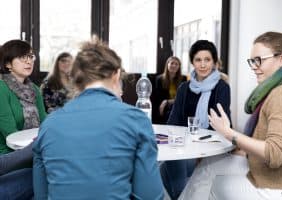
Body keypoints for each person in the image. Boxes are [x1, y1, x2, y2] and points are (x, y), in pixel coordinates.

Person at [33, 36, 164, 200]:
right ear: (116, 75)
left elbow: (41, 195)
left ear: (77, 80)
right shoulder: (135, 120)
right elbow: (149, 196)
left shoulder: (49, 125)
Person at [180, 30, 282, 200]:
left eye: (259, 60)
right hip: (272, 174)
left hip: (279, 187)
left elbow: (276, 153)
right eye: (252, 61)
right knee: (208, 165)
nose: (254, 67)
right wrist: (242, 149)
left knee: (210, 185)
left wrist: (230, 133)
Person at [160, 40, 231, 200]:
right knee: (167, 164)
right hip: (184, 145)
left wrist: (200, 151)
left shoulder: (222, 87)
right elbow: (174, 120)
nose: (203, 64)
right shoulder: (184, 88)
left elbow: (221, 125)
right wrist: (173, 141)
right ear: (192, 62)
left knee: (168, 171)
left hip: (210, 146)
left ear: (214, 62)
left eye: (207, 60)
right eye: (198, 60)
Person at [0, 39, 47, 199]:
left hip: (32, 152)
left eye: (30, 56)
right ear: (8, 64)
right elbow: (11, 135)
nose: (29, 61)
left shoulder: (34, 88)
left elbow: (44, 124)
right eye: (22, 57)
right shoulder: (1, 88)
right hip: (7, 158)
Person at [154, 56, 187, 124]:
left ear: (179, 67)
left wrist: (167, 101)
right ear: (167, 65)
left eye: (176, 64)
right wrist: (165, 103)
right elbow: (158, 98)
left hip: (177, 105)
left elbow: (183, 98)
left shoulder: (183, 79)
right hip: (164, 107)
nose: (174, 65)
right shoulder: (159, 79)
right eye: (172, 63)